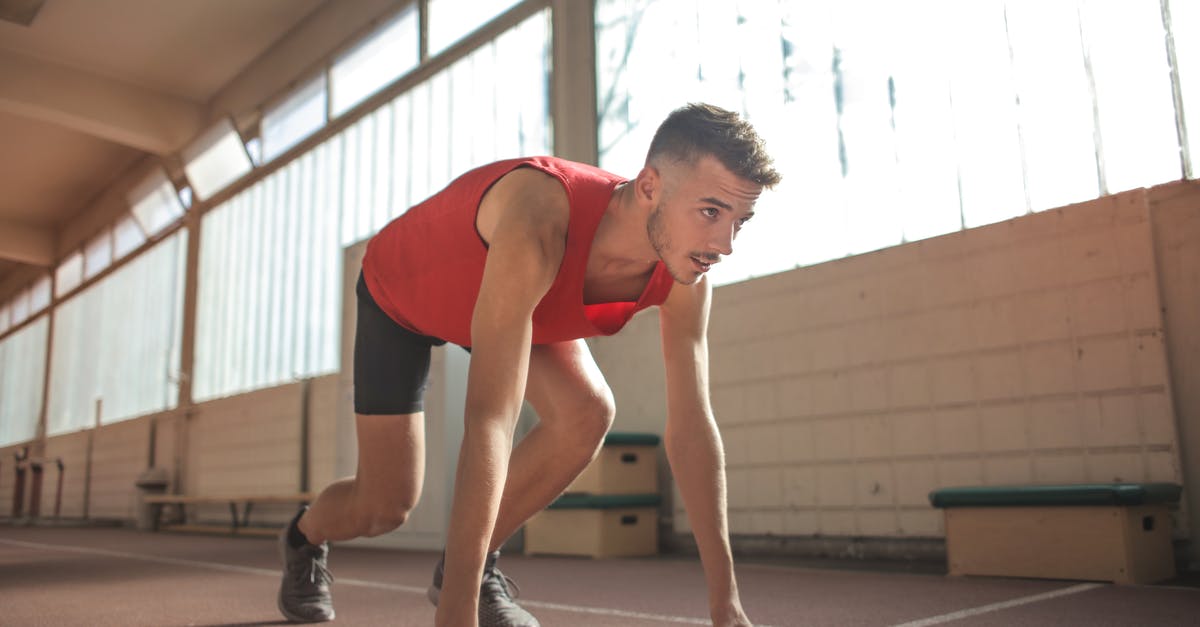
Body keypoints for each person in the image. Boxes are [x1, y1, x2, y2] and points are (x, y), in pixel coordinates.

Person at [277, 103, 781, 627]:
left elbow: (693, 427)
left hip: (515, 304)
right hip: (403, 295)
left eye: (739, 221)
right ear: (651, 185)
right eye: (710, 212)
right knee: (384, 506)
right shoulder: (541, 219)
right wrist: (457, 615)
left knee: (586, 412)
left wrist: (726, 604)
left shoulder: (687, 276)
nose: (724, 244)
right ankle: (303, 536)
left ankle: (469, 568)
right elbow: (492, 417)